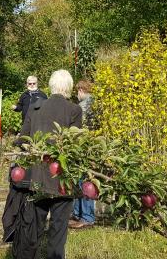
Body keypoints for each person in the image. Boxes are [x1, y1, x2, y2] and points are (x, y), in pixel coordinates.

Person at [13, 69, 82, 259]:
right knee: (58, 232)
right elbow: (75, 146)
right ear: (68, 88)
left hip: (37, 178)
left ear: (51, 87)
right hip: (62, 179)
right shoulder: (74, 110)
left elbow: (21, 140)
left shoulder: (35, 108)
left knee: (33, 229)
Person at [69, 80, 96, 229]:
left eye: (77, 92)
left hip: (84, 150)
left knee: (85, 182)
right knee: (82, 181)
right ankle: (80, 214)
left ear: (80, 90)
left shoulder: (83, 107)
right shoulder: (97, 105)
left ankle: (86, 217)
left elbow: (78, 131)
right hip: (91, 149)